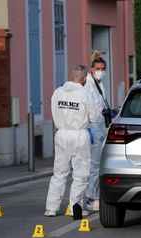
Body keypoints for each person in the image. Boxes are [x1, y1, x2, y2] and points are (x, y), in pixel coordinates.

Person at [45, 64, 99, 220]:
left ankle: (51, 207)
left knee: (59, 172)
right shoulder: (84, 93)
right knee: (80, 174)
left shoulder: (58, 92)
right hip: (79, 135)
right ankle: (75, 206)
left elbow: (54, 111)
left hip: (61, 133)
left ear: (71, 75)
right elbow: (94, 117)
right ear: (83, 79)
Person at [82, 51, 109, 213]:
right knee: (93, 165)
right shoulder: (88, 84)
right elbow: (91, 110)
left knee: (95, 164)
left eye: (103, 68)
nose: (101, 71)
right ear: (92, 69)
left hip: (98, 127)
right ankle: (91, 199)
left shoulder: (99, 83)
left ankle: (88, 197)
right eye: (98, 68)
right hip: (92, 128)